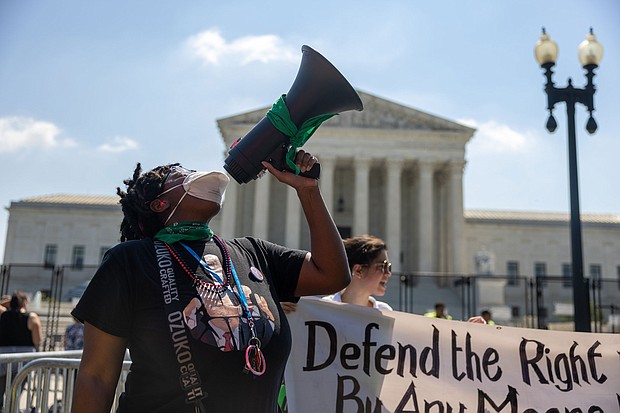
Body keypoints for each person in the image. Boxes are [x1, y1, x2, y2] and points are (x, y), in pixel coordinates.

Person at [71, 151, 350, 413]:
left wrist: (308, 190)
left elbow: (332, 275)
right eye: (178, 174)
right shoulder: (130, 261)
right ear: (160, 203)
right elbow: (96, 377)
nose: (192, 173)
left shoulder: (253, 253)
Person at [323, 234, 393, 310]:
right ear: (358, 270)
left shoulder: (385, 312)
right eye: (382, 266)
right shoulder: (324, 309)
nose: (388, 273)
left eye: (388, 267)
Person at [0, 291, 42, 405]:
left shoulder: (4, 314)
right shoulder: (31, 318)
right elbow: (37, 340)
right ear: (24, 303)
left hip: (3, 357)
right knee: (16, 391)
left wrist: (11, 301)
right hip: (23, 358)